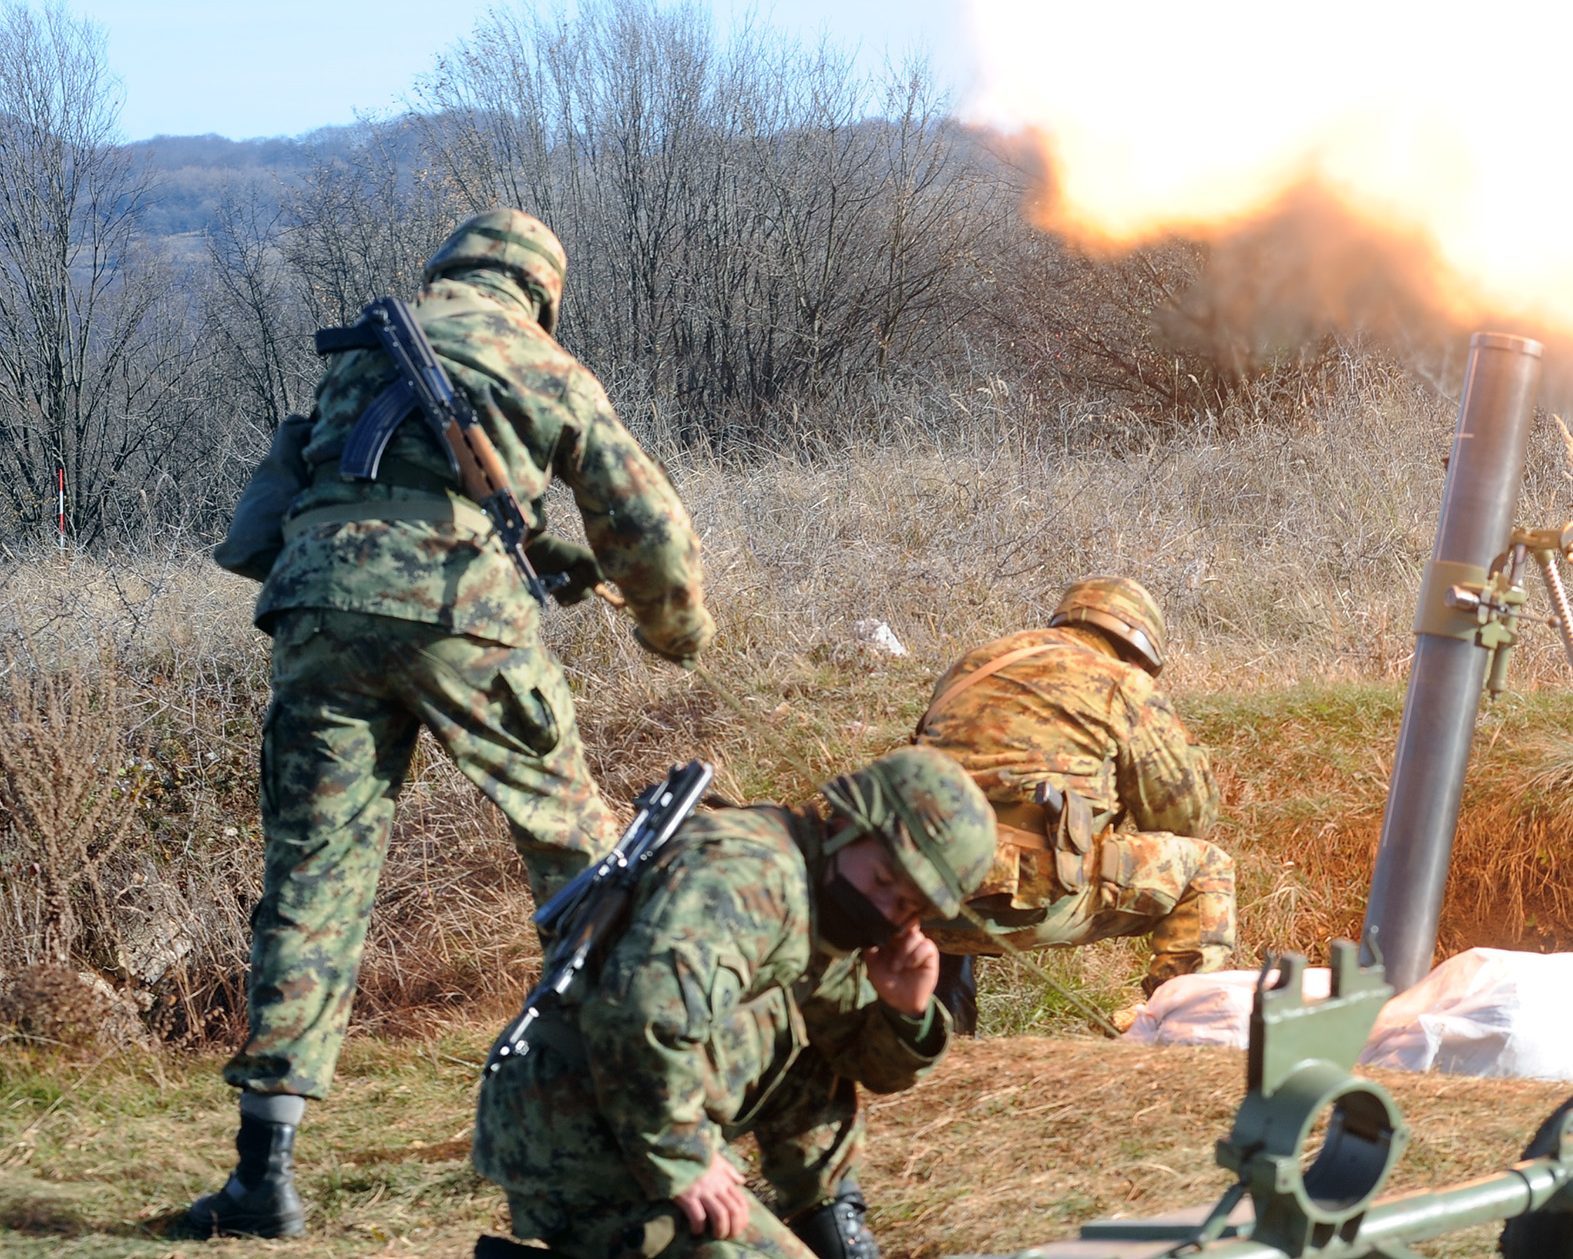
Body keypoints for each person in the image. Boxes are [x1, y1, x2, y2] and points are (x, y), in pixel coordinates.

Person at [184, 209, 715, 1240]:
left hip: (317, 613)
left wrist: (531, 553)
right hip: (460, 612)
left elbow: (288, 515)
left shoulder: (365, 353)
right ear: (542, 290)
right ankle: (641, 1109)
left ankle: (264, 1170)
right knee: (582, 855)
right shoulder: (543, 360)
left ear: (447, 269)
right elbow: (645, 525)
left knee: (314, 873)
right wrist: (678, 629)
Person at [470, 747, 998, 1259]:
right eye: (883, 879)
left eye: (907, 905)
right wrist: (684, 1157)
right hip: (581, 1127)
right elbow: (641, 1012)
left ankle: (827, 1216)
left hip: (652, 1106)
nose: (884, 909)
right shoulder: (748, 875)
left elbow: (857, 1059)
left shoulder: (822, 897)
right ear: (845, 825)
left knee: (811, 1043)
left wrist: (904, 1010)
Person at [912, 577, 1233, 1030]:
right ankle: (1180, 1035)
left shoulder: (973, 665)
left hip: (919, 891)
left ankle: (940, 1030)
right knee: (1206, 868)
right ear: (1140, 650)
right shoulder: (1125, 684)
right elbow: (1187, 820)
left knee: (960, 856)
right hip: (1034, 896)